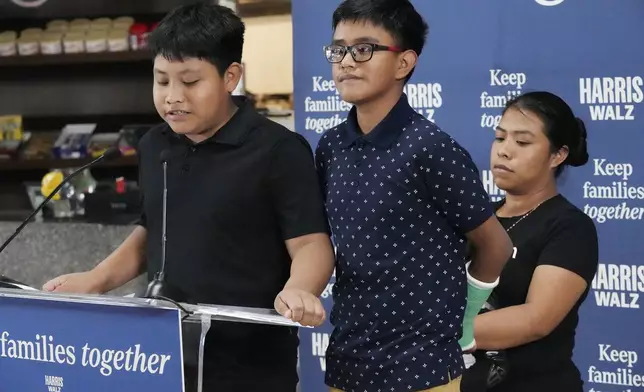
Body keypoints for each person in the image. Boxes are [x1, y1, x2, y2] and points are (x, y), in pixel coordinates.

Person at [42, 3, 335, 391]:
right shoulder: (154, 145)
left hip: (249, 366)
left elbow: (311, 243)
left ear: (231, 77)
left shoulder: (278, 150)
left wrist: (300, 288)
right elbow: (153, 228)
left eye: (190, 82)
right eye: (162, 81)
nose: (173, 97)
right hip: (160, 357)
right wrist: (96, 280)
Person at [316, 0, 513, 391]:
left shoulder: (430, 148)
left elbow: (496, 246)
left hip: (422, 367)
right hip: (348, 361)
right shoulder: (330, 147)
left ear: (404, 63)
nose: (346, 61)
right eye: (338, 49)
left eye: (364, 48)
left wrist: (468, 319)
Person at [460, 91, 599, 392]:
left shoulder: (570, 227)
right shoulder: (477, 220)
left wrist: (432, 332)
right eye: (500, 138)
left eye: (522, 142)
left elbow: (536, 319)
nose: (504, 151)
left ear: (558, 155)